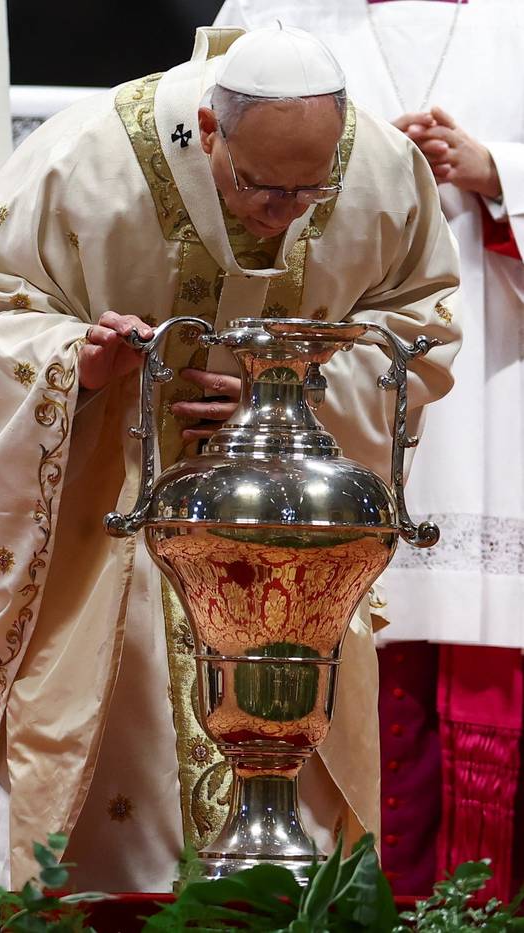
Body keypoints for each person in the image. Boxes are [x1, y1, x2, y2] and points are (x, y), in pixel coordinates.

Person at [0, 24, 461, 892]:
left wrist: (291, 397)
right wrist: (79, 361)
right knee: (112, 766)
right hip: (112, 513)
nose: (284, 213)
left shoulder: (384, 171)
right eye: (263, 186)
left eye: (310, 190)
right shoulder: (86, 159)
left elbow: (423, 331)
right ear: (207, 130)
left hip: (288, 535)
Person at [214, 0, 524, 899]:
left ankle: (470, 908)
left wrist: (498, 168)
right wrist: (329, 164)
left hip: (496, 390)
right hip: (317, 393)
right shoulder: (271, 14)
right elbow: (197, 169)